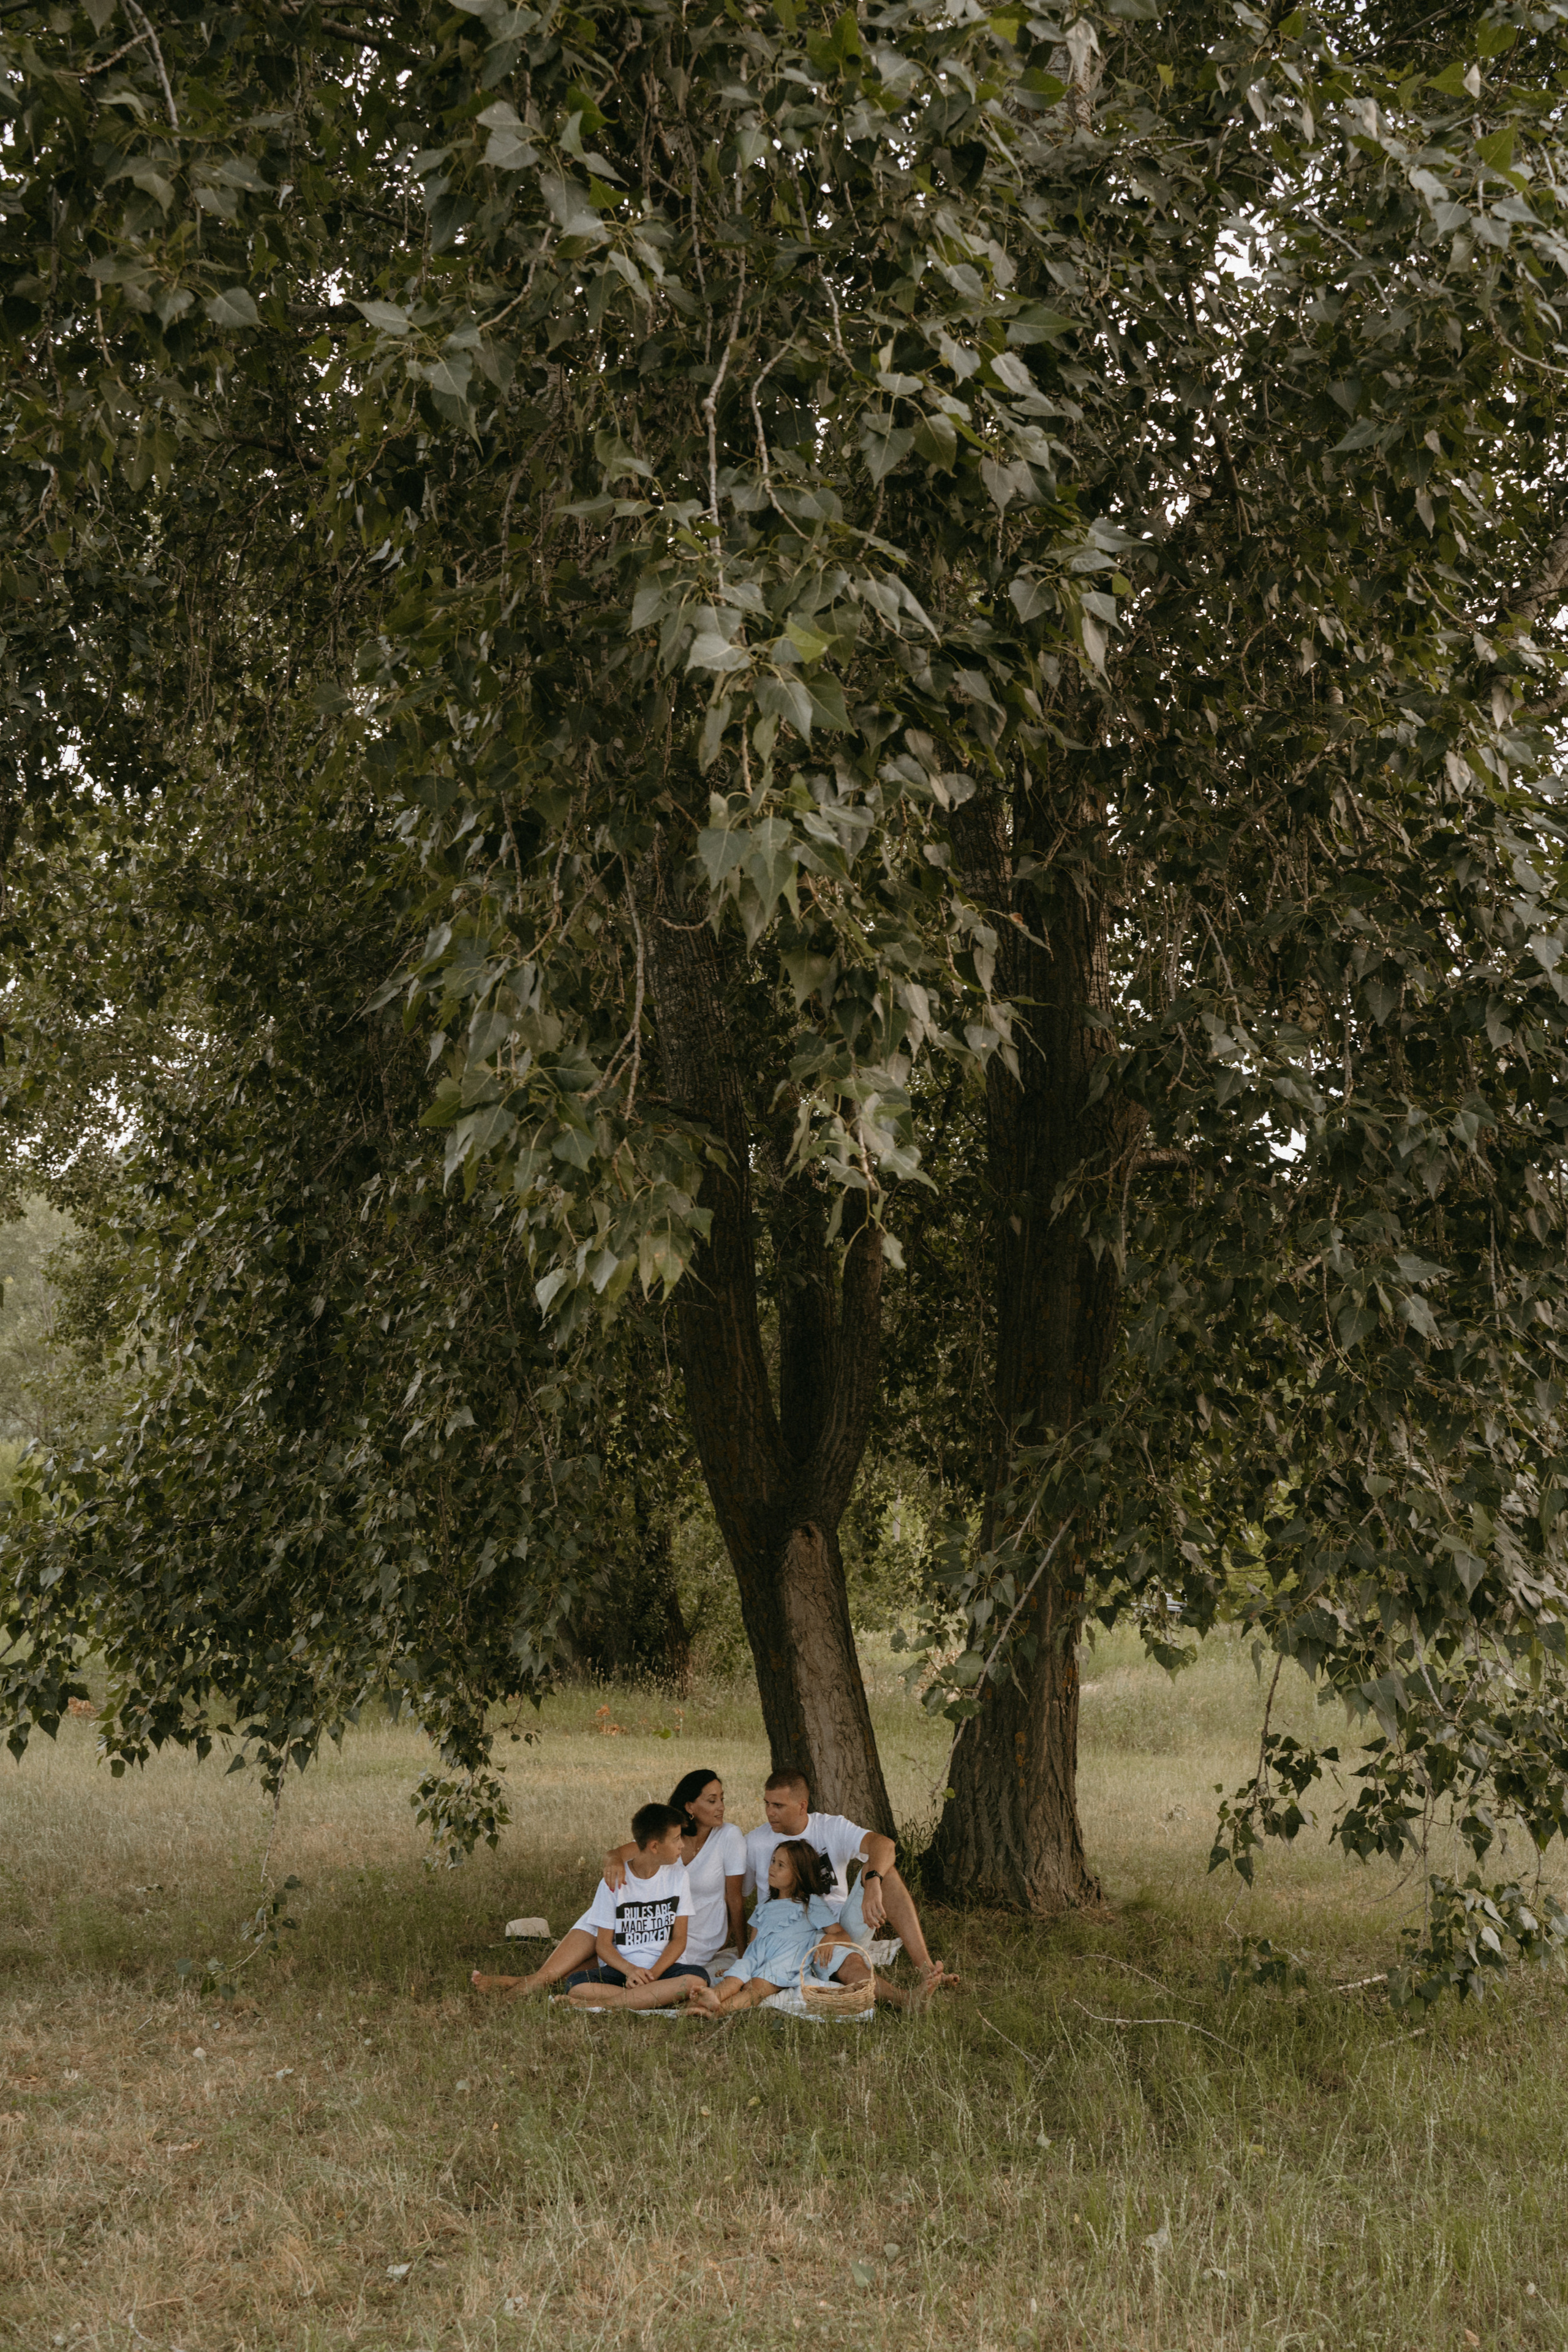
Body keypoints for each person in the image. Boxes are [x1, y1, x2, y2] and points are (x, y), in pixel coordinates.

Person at [470, 1770, 745, 1999]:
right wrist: (613, 1862)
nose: (721, 1806)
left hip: (690, 1928)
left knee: (609, 1962)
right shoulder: (667, 1833)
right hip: (639, 1914)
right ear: (690, 1807)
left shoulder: (729, 1837)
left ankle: (536, 1983)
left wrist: (744, 1954)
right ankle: (534, 1980)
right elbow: (617, 1854)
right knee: (602, 1926)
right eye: (712, 1800)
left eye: (722, 1799)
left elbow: (734, 1898)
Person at [742, 1766, 958, 2000]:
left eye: (778, 1806)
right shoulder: (755, 1843)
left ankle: (926, 1968)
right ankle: (906, 2000)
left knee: (882, 1871)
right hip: (793, 1939)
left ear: (802, 1805)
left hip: (839, 1927)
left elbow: (884, 1845)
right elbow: (736, 1895)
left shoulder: (830, 1827)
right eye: (767, 1804)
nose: (769, 1813)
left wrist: (873, 1884)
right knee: (849, 1960)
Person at [560, 1801, 711, 2010]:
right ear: (655, 1847)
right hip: (623, 1971)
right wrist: (631, 1971)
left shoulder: (679, 1877)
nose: (682, 1846)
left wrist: (654, 1975)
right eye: (676, 1840)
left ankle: (604, 2005)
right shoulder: (613, 1882)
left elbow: (679, 1939)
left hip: (664, 1970)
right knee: (576, 1983)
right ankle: (656, 2000)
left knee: (697, 1979)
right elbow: (603, 1945)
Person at [688, 1838, 853, 2016]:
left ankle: (719, 2011)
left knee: (755, 1988)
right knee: (733, 1980)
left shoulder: (811, 1903)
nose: (772, 1868)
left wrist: (830, 1938)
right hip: (756, 1957)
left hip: (784, 1961)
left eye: (781, 1865)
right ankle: (708, 1999)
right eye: (773, 1861)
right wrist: (740, 1966)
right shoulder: (764, 1907)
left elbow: (842, 1935)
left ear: (799, 1874)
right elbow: (753, 1945)